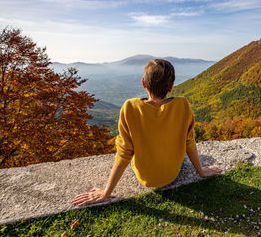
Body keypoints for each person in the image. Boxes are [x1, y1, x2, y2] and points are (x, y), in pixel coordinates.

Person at [72, 59, 221, 207]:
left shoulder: (130, 107)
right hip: (172, 175)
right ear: (171, 87)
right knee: (201, 157)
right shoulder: (182, 105)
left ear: (143, 83)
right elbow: (189, 143)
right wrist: (200, 171)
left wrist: (106, 193)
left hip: (145, 178)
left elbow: (124, 153)